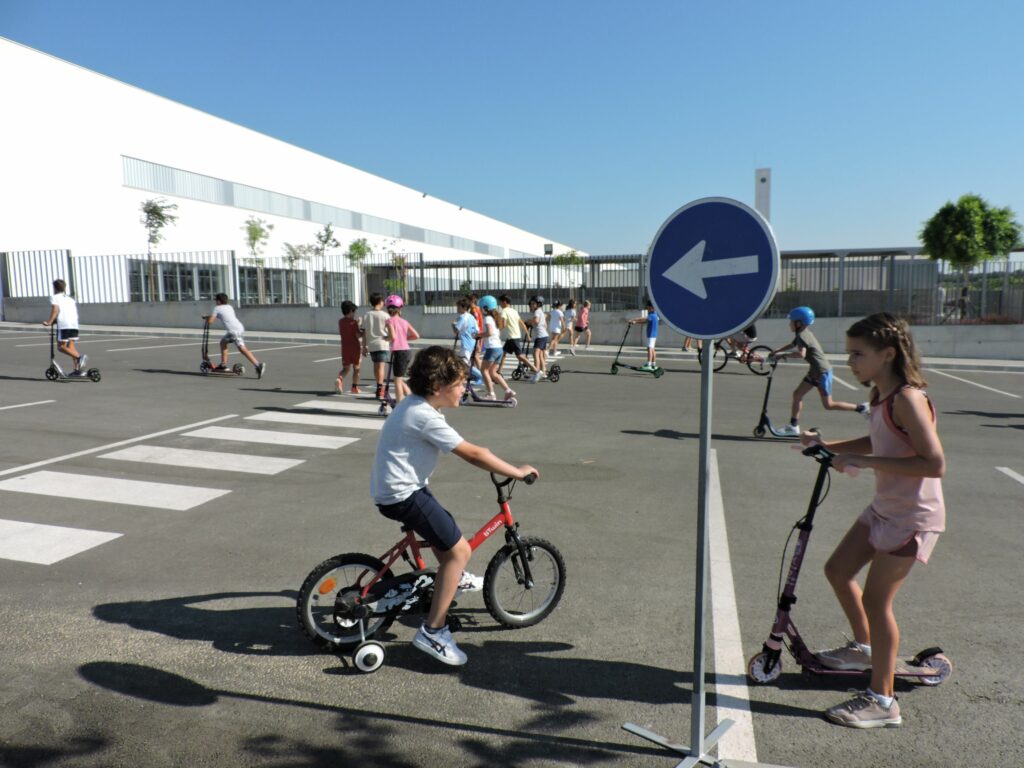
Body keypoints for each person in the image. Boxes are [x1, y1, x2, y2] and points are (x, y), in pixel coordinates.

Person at [801, 312, 945, 729]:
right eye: (848, 353)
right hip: (887, 507)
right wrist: (828, 445)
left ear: (887, 354)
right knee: (838, 569)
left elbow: (934, 463)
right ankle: (864, 648)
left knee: (877, 601)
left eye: (857, 354)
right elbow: (880, 440)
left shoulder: (907, 399)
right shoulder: (883, 397)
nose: (850, 361)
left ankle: (883, 701)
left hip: (914, 517)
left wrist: (860, 460)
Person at [370, 345, 538, 666]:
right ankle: (433, 632)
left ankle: (453, 576)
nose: (466, 388)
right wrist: (517, 471)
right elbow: (473, 453)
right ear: (437, 386)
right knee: (460, 551)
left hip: (400, 488)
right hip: (402, 494)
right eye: (460, 383)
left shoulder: (417, 404)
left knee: (447, 534)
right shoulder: (423, 415)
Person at [771, 306, 867, 436]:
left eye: (791, 321)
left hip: (822, 372)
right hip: (815, 371)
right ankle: (793, 426)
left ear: (798, 323)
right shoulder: (802, 333)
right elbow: (792, 344)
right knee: (797, 394)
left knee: (828, 405)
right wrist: (777, 351)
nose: (789, 324)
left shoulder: (802, 335)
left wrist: (782, 355)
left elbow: (801, 354)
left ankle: (862, 408)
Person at [203, 293, 266, 379]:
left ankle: (258, 365)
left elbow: (210, 321)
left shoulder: (217, 308)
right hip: (238, 328)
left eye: (216, 300)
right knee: (223, 343)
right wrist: (208, 317)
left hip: (233, 331)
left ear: (218, 301)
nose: (215, 302)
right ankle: (223, 365)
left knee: (242, 349)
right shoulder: (229, 307)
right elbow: (222, 315)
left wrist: (206, 318)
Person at [43, 279, 88, 375]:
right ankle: (78, 370)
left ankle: (79, 357)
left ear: (55, 288)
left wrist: (50, 321)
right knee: (70, 346)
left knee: (61, 347)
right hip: (74, 324)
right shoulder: (70, 299)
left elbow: (55, 310)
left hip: (64, 325)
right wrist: (55, 320)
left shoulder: (54, 297)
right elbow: (67, 312)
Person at [476, 294, 516, 401]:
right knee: (493, 373)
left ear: (485, 308)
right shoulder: (495, 318)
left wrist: (478, 335)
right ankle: (508, 390)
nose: (480, 310)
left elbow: (489, 332)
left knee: (484, 370)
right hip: (499, 348)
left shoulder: (488, 318)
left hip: (492, 348)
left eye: (481, 308)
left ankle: (491, 394)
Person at [383, 295, 420, 405]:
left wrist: (386, 338)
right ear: (400, 309)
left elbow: (392, 337)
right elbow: (416, 335)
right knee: (399, 378)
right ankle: (410, 397)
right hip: (407, 351)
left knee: (397, 381)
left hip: (399, 352)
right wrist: (404, 338)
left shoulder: (389, 321)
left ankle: (400, 404)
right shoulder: (404, 321)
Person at [497, 294, 538, 379]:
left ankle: (536, 371)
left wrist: (496, 330)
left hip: (512, 337)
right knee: (503, 354)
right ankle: (499, 372)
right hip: (513, 337)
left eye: (500, 302)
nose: (500, 304)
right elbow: (522, 323)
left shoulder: (504, 311)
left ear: (504, 302)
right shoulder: (514, 311)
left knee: (520, 356)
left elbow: (503, 324)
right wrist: (527, 334)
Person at [362, 293, 391, 401]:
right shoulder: (385, 315)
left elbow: (364, 333)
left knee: (376, 366)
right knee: (381, 367)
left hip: (371, 344)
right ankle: (380, 388)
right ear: (380, 302)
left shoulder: (367, 315)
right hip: (382, 343)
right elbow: (390, 330)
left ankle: (378, 386)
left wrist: (363, 347)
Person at [452, 298, 483, 386]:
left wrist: (453, 324)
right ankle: (475, 376)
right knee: (465, 362)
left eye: (458, 307)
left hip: (466, 344)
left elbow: (456, 331)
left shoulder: (462, 317)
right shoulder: (471, 317)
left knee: (464, 364)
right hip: (472, 342)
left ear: (464, 307)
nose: (457, 309)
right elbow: (477, 330)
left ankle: (481, 376)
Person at [336, 300, 363, 395]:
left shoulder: (340, 322)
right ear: (351, 311)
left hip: (345, 348)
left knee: (346, 368)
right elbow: (358, 335)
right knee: (357, 368)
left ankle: (339, 379)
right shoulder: (354, 322)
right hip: (355, 348)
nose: (355, 313)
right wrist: (360, 326)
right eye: (354, 311)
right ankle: (354, 387)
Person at [628, 300, 659, 370]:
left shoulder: (652, 315)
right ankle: (653, 364)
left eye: (648, 308)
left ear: (651, 307)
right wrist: (635, 322)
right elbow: (645, 321)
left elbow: (643, 319)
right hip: (652, 335)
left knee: (650, 349)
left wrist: (634, 319)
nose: (647, 309)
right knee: (652, 349)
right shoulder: (655, 314)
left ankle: (649, 364)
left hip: (651, 335)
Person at [527, 295, 550, 383]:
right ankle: (543, 372)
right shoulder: (540, 311)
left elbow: (536, 321)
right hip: (543, 335)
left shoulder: (537, 312)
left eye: (533, 304)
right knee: (540, 355)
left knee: (535, 353)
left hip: (540, 336)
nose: (531, 305)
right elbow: (544, 324)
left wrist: (529, 321)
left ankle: (536, 373)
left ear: (538, 304)